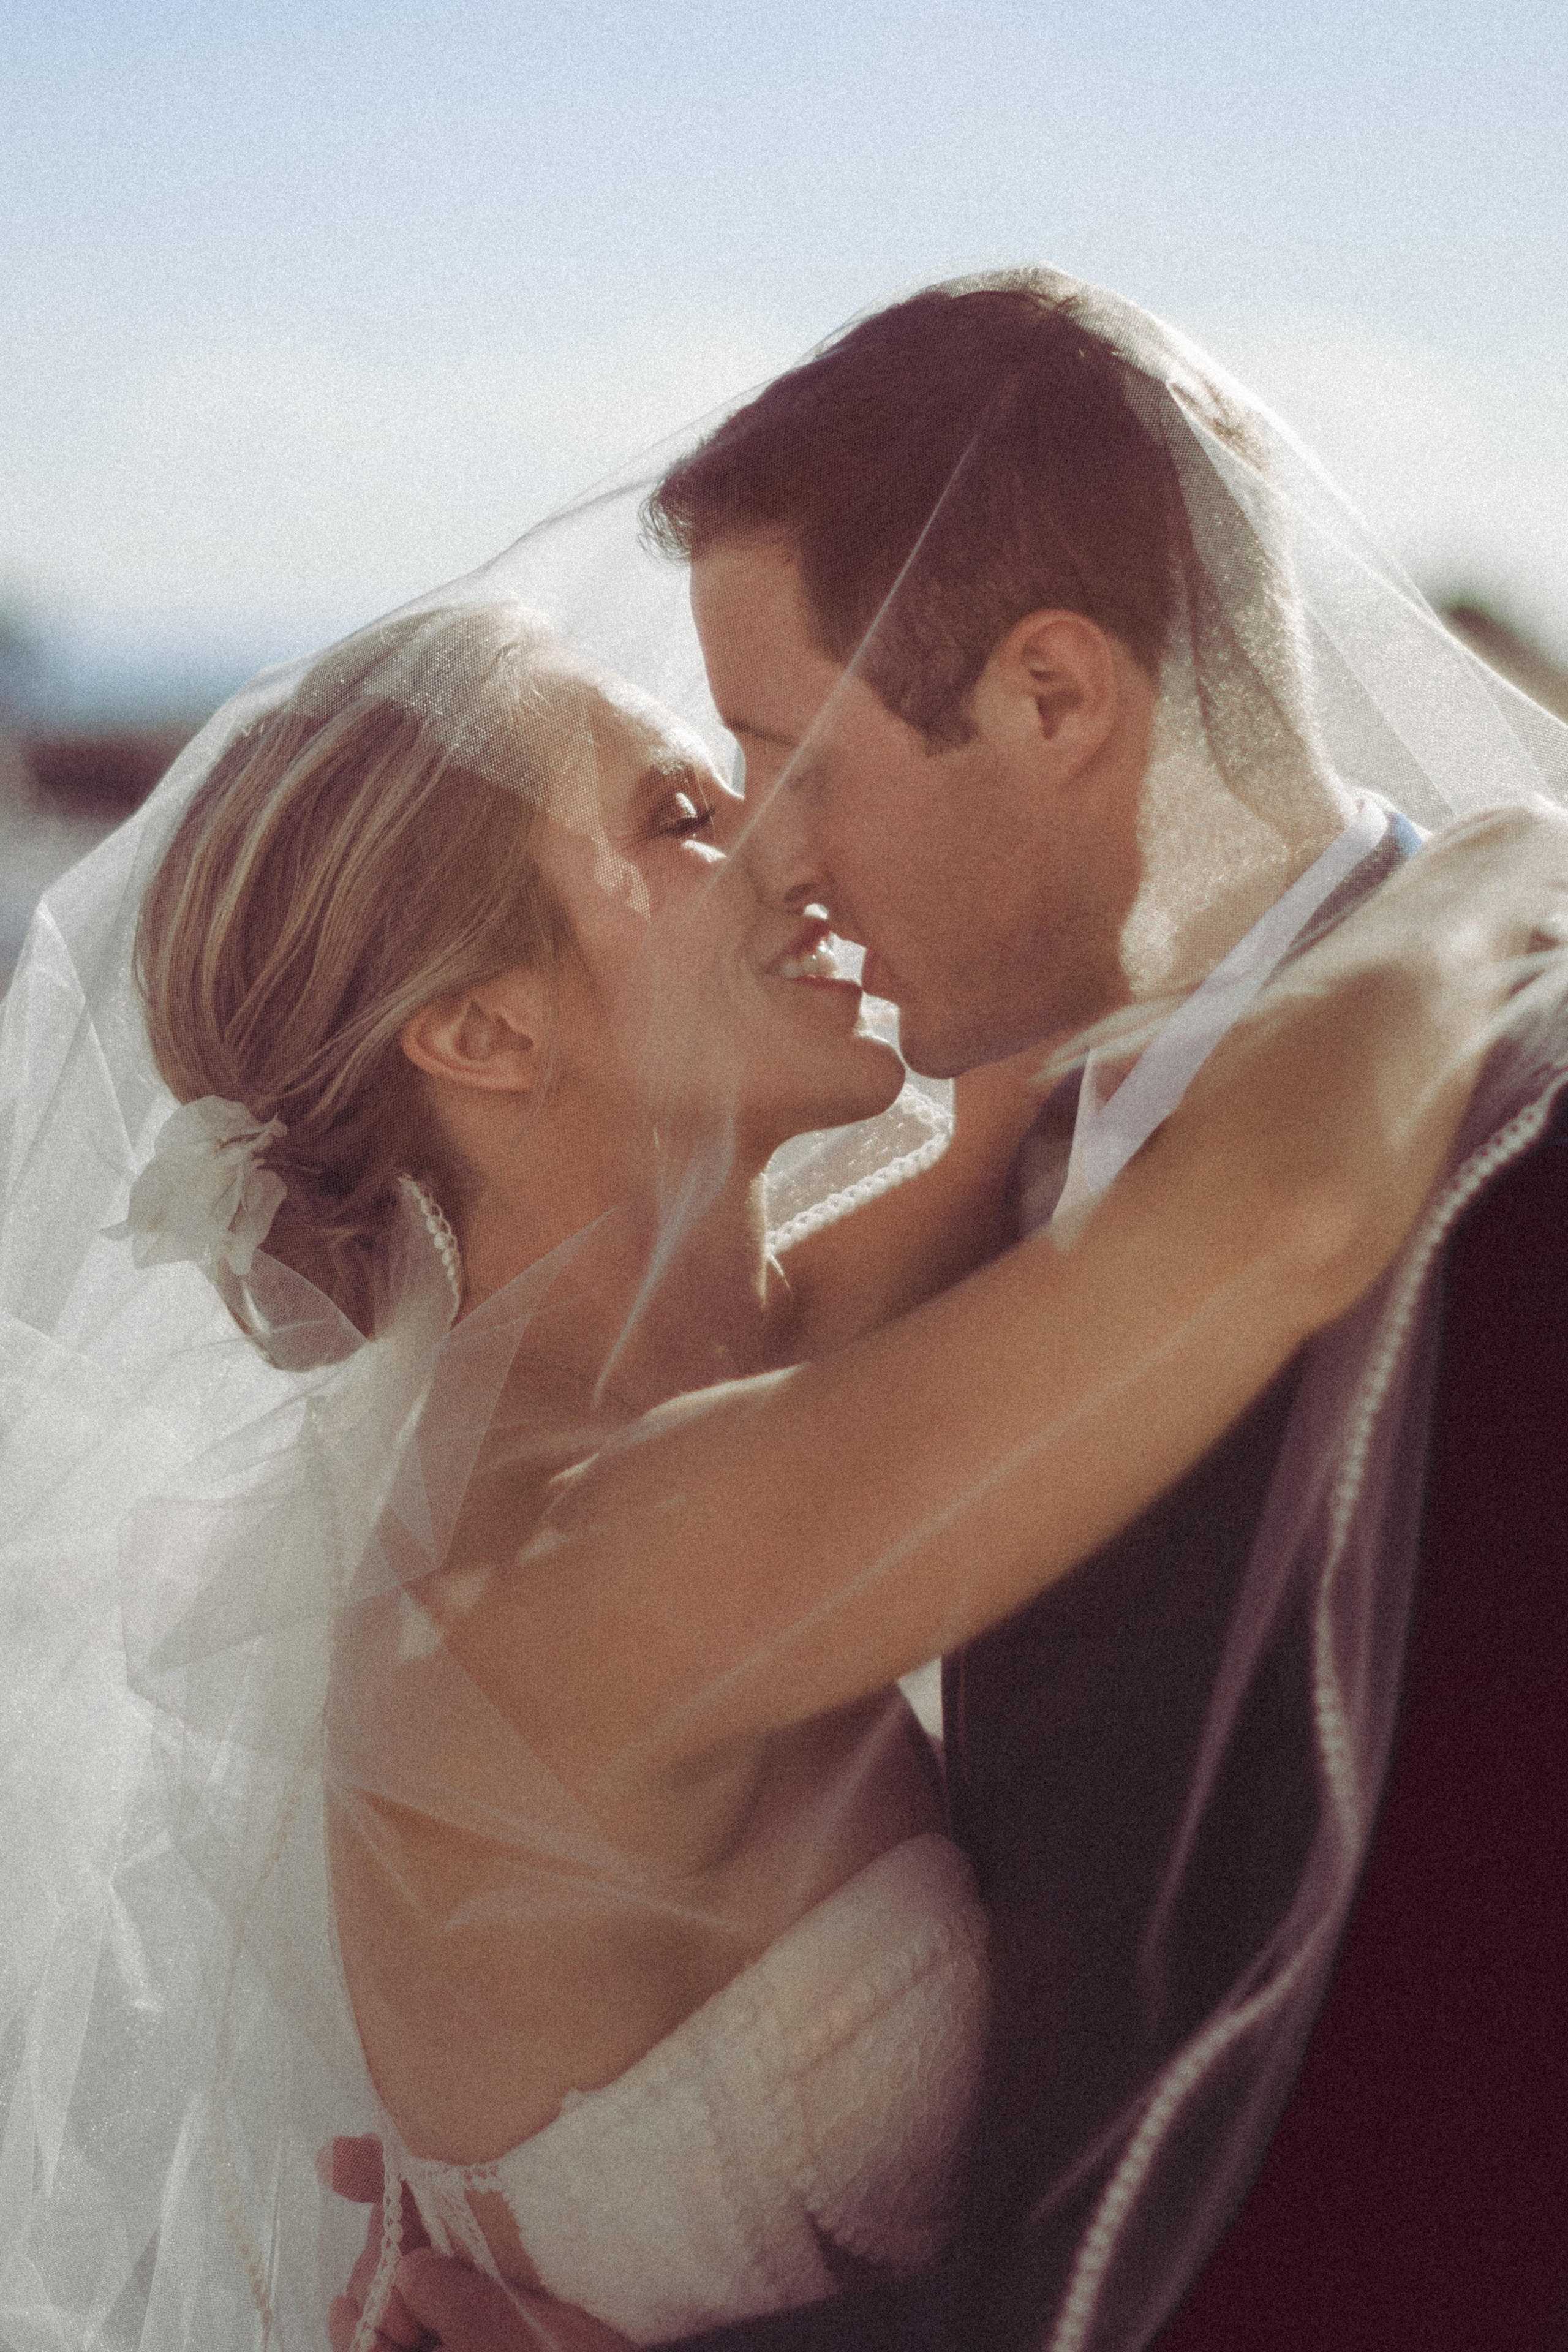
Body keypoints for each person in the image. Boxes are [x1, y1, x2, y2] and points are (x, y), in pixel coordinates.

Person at [336, 274, 1568, 2351]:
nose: (782, 871)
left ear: (1057, 698)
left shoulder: (1515, 1195)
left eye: (784, 765)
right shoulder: (1006, 1204)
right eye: (710, 797)